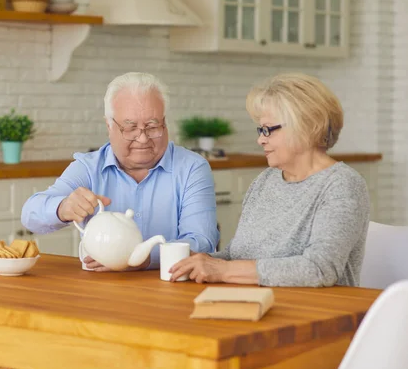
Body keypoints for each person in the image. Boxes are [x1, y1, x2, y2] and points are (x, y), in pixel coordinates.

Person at [170, 73, 370, 287]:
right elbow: (236, 255)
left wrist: (224, 270)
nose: (260, 140)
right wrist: (201, 262)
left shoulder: (341, 185)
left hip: (314, 313)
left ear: (306, 126)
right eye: (260, 130)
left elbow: (320, 269)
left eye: (268, 130)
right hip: (254, 304)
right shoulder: (265, 180)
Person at [21, 72, 219, 271]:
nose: (142, 138)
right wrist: (63, 208)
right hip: (102, 289)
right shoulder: (89, 168)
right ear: (109, 125)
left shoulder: (192, 167)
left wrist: (140, 257)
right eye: (130, 127)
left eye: (152, 126)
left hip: (170, 286)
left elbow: (202, 241)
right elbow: (30, 214)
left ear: (165, 123)